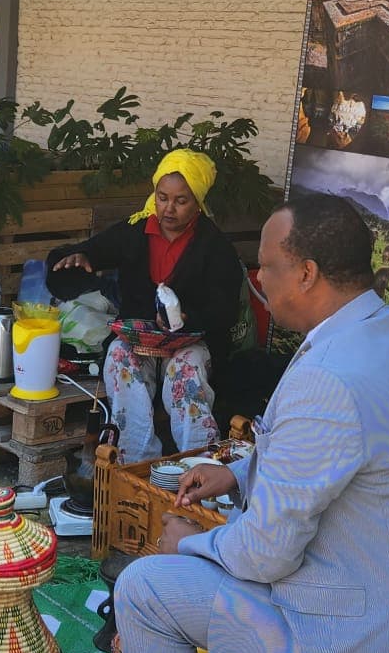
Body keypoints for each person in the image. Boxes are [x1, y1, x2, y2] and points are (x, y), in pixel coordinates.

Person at [113, 194, 389, 653]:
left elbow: (265, 553)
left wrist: (194, 544)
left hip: (361, 640)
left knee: (143, 588)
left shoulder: (327, 376)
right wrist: (236, 473)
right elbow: (348, 458)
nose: (257, 279)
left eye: (265, 265)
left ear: (306, 274)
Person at [47, 150, 246, 463]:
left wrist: (186, 317)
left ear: (197, 201)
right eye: (162, 197)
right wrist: (81, 257)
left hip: (192, 343)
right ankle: (136, 462)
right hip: (140, 341)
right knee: (119, 359)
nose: (168, 208)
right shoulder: (136, 230)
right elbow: (94, 250)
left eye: (181, 200)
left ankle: (200, 464)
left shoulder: (214, 246)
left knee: (185, 371)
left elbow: (225, 310)